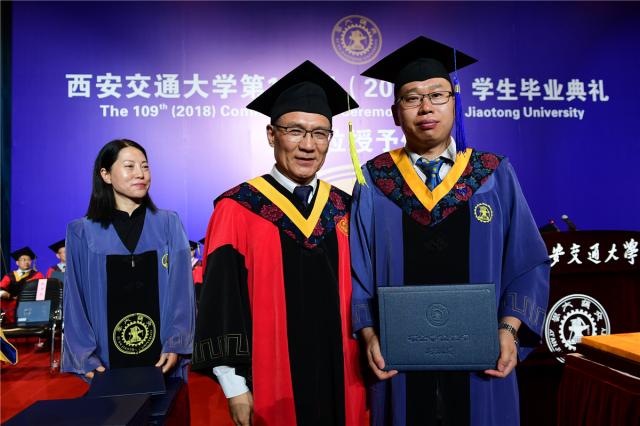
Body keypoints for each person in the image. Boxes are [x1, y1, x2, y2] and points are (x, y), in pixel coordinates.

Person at [350, 36, 550, 425]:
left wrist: (509, 329)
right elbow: (357, 271)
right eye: (412, 98)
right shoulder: (374, 181)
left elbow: (528, 262)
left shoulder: (492, 174)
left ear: (455, 103)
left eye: (437, 95)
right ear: (395, 113)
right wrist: (369, 333)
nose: (426, 107)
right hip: (399, 361)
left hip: (482, 362)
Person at [193, 61, 367, 426]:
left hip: (342, 377)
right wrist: (234, 386)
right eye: (295, 131)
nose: (308, 145)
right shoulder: (238, 208)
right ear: (272, 135)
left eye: (320, 133)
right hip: (270, 382)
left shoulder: (344, 207)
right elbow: (221, 302)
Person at [62, 139, 195, 383]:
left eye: (145, 166)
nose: (140, 174)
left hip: (163, 359)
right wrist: (84, 355)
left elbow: (181, 291)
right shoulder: (82, 231)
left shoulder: (168, 223)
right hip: (106, 362)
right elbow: (75, 301)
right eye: (129, 166)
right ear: (105, 175)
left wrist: (176, 342)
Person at [0, 247, 45, 324]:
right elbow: (1, 288)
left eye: (29, 260)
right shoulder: (9, 276)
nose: (26, 262)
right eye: (23, 260)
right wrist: (7, 295)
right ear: (17, 262)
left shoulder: (37, 275)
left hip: (29, 308)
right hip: (11, 310)